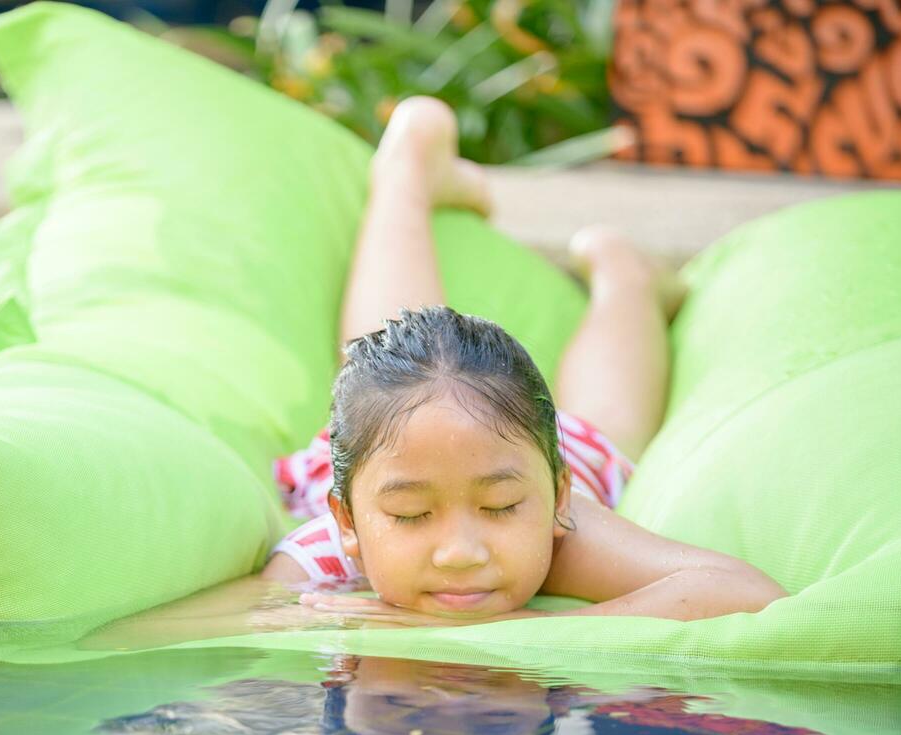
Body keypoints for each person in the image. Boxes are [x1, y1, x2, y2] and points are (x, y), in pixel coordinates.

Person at [261, 97, 787, 626]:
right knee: (389, 368)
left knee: (611, 425)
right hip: (389, 449)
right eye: (411, 516)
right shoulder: (326, 549)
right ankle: (408, 167)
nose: (461, 553)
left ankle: (627, 278)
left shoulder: (566, 531)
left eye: (501, 507)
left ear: (558, 499)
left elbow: (746, 592)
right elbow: (208, 627)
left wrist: (521, 630)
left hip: (499, 449)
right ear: (347, 523)